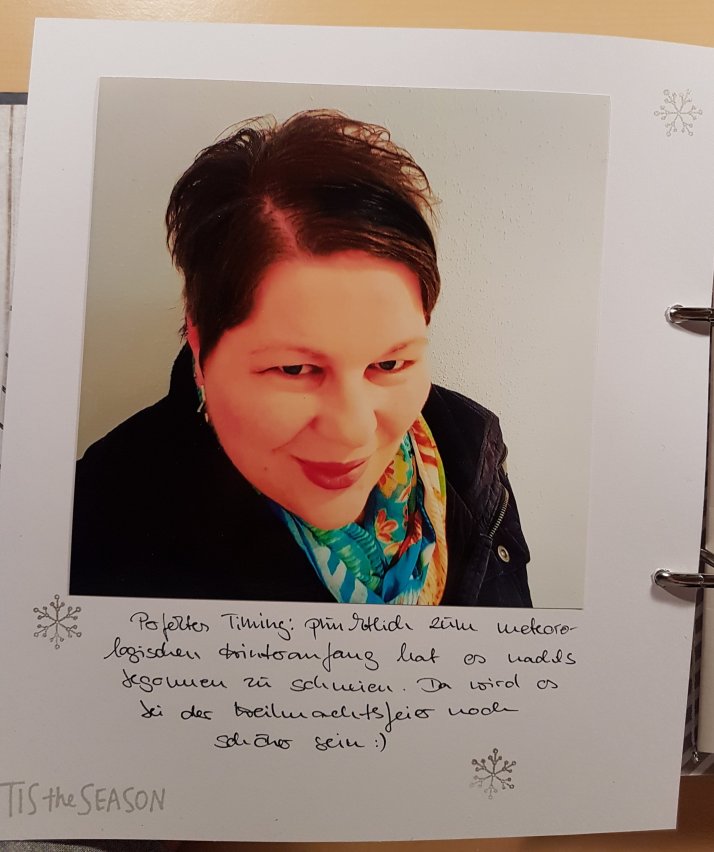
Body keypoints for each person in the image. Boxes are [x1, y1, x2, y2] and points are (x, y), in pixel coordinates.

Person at [70, 110, 531, 606]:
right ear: (201, 346)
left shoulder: (471, 448)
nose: (352, 431)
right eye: (295, 369)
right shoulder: (100, 522)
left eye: (389, 365)